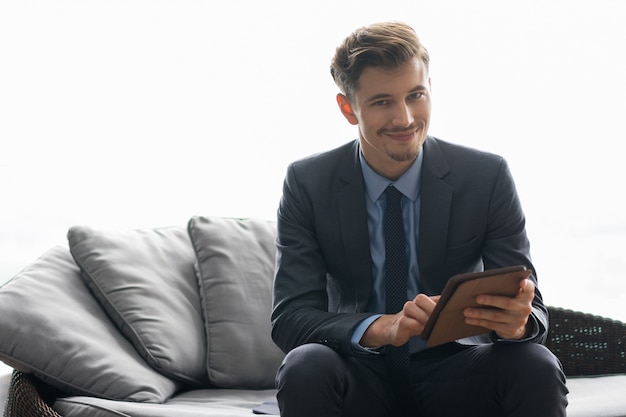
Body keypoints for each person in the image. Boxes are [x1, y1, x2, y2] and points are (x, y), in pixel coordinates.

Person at [270, 21, 568, 417]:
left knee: (535, 364)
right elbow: (290, 319)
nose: (405, 118)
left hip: (458, 369)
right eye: (382, 102)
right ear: (348, 108)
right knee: (306, 364)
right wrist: (382, 328)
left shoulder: (486, 176)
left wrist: (516, 325)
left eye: (415, 95)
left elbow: (533, 311)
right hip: (359, 370)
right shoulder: (307, 183)